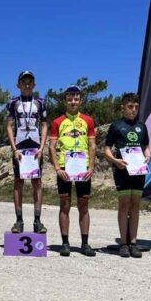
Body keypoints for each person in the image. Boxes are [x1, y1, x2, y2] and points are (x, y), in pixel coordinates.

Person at [49, 86, 97, 257]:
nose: (73, 102)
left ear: (80, 101)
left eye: (76, 99)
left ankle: (85, 243)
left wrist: (91, 167)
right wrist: (57, 168)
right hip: (65, 168)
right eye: (69, 99)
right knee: (65, 205)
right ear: (65, 101)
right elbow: (52, 147)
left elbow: (92, 145)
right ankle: (65, 243)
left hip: (83, 168)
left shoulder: (88, 120)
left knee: (84, 205)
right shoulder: (57, 122)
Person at [103, 93, 151, 258]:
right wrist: (115, 161)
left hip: (138, 171)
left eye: (136, 107)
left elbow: (146, 146)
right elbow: (107, 149)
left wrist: (148, 155)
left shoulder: (142, 126)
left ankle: (134, 243)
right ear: (122, 107)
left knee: (135, 205)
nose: (133, 110)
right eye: (130, 107)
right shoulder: (116, 126)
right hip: (122, 170)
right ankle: (123, 243)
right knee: (124, 205)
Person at [5, 70, 48, 234]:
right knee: (18, 182)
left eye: (30, 82)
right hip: (20, 148)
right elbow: (9, 126)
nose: (27, 85)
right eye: (24, 82)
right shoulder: (13, 102)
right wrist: (14, 148)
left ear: (34, 84)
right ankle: (19, 221)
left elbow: (44, 125)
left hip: (35, 147)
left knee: (37, 183)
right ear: (18, 85)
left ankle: (37, 221)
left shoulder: (40, 102)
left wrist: (42, 147)